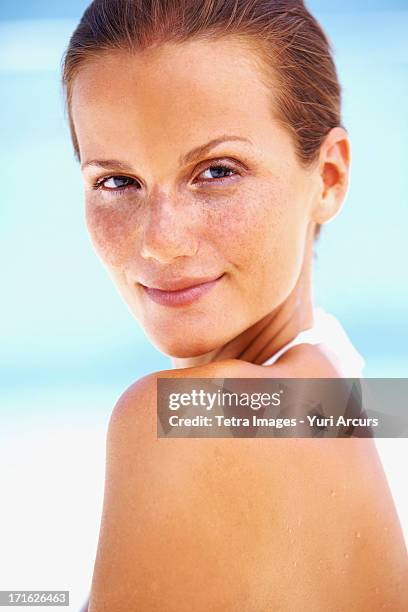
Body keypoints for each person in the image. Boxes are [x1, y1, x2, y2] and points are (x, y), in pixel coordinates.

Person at [62, 1, 408, 609]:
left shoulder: (190, 422)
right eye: (117, 182)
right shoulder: (330, 393)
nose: (160, 241)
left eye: (217, 171)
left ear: (328, 178)